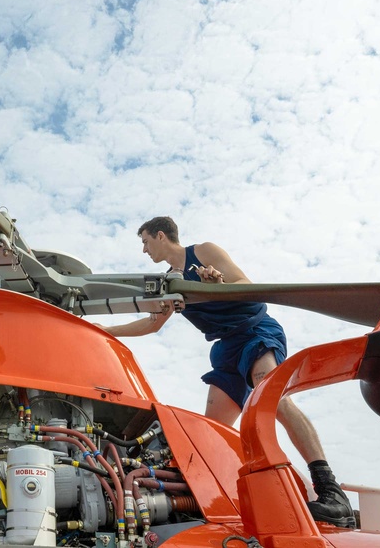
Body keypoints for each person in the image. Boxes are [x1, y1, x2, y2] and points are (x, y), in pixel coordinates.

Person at [103, 216, 355, 528]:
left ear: (160, 235)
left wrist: (219, 283)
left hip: (254, 331)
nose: (143, 249)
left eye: (145, 241)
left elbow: (245, 285)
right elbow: (152, 324)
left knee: (270, 399)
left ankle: (331, 492)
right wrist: (105, 330)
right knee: (209, 433)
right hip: (226, 350)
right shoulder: (168, 282)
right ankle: (208, 501)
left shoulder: (204, 252)